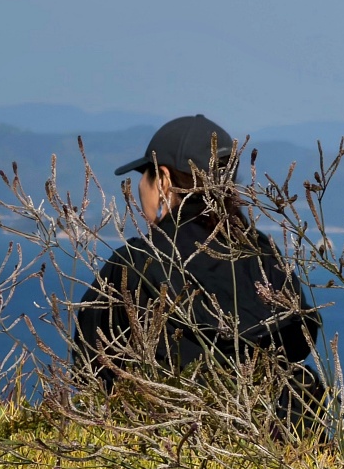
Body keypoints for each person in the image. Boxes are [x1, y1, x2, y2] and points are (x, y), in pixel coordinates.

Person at [73, 114, 324, 424]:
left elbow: (89, 368)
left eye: (143, 174)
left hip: (167, 439)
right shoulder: (265, 257)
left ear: (163, 180)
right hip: (278, 442)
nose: (138, 187)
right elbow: (297, 346)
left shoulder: (135, 263)